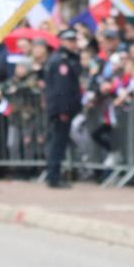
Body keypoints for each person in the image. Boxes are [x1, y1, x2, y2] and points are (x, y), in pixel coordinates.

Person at [43, 28, 82, 187]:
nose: (73, 44)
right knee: (58, 143)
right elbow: (62, 89)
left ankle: (53, 175)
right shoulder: (61, 60)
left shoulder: (60, 58)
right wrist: (64, 110)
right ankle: (54, 177)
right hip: (61, 109)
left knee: (58, 142)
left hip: (59, 108)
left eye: (74, 40)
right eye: (70, 41)